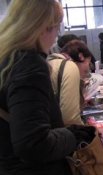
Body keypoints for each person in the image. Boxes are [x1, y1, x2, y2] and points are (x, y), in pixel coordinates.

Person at [0, 0, 93, 174]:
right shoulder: (29, 64)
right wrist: (73, 135)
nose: (55, 37)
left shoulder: (8, 59)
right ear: (44, 27)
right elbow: (32, 143)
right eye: (57, 28)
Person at [48, 40, 93, 126]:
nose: (88, 70)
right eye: (88, 62)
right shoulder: (69, 66)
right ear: (81, 56)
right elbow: (71, 118)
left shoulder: (52, 63)